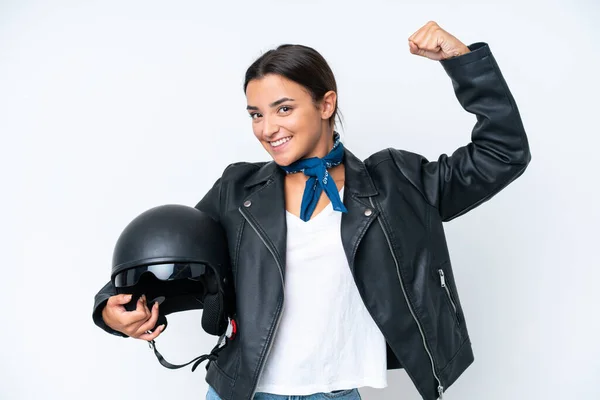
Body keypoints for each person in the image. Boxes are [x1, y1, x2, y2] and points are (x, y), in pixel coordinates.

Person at [92, 21, 531, 400]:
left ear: (326, 104)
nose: (267, 129)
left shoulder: (397, 183)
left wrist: (464, 62)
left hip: (336, 392)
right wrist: (111, 308)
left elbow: (503, 153)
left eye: (283, 109)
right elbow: (178, 260)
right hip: (242, 390)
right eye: (256, 114)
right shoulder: (238, 188)